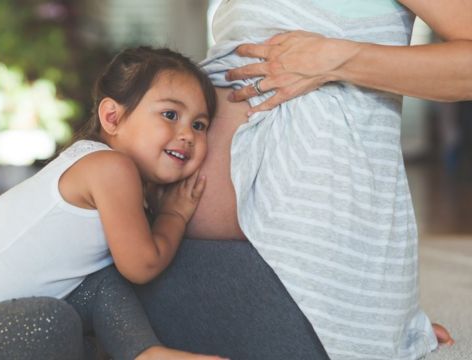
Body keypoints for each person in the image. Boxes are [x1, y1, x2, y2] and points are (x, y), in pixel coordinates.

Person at [138, 1, 467, 359]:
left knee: (97, 284)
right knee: (91, 251)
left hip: (293, 278)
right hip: (210, 248)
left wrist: (335, 59)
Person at [0, 47, 225, 360]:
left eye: (199, 125)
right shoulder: (111, 168)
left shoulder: (109, 169)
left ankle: (145, 353)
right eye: (170, 115)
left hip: (0, 313)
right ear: (112, 117)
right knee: (53, 323)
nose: (187, 135)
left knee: (100, 284)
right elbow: (142, 265)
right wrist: (174, 214)